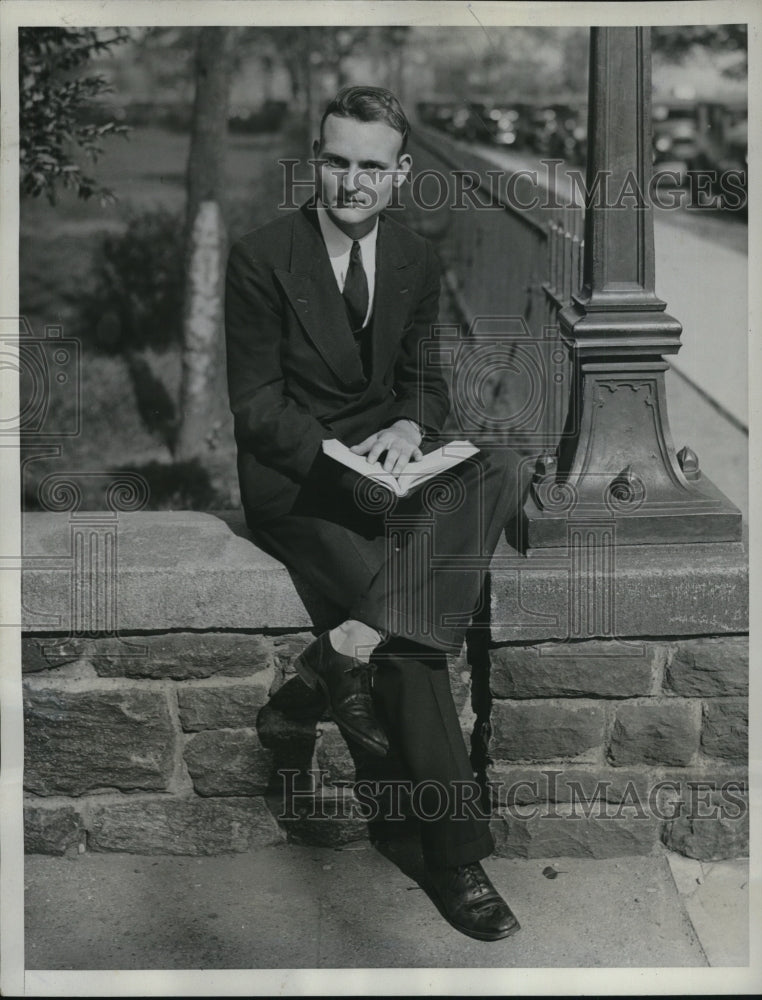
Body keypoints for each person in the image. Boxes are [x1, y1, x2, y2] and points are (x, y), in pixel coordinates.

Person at [225, 85, 524, 941]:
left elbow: (427, 384)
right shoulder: (261, 256)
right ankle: (455, 855)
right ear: (316, 160)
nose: (352, 181)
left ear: (398, 175)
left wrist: (404, 424)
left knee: (500, 461)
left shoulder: (416, 262)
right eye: (336, 161)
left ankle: (335, 653)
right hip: (304, 482)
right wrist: (342, 460)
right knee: (411, 645)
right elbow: (256, 406)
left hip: (391, 465)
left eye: (371, 166)